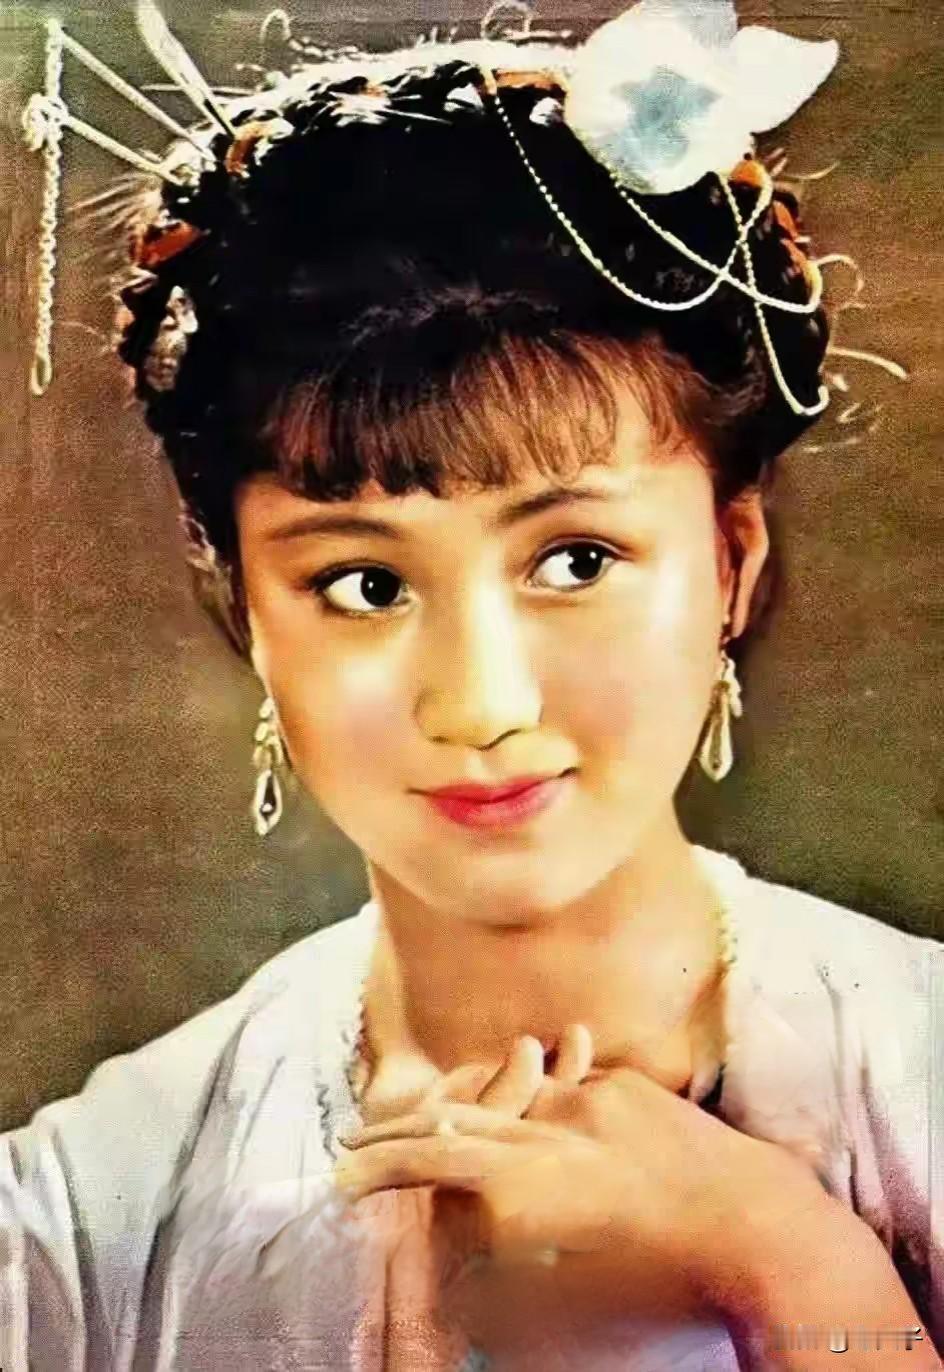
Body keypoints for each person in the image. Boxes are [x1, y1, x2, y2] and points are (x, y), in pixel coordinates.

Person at [5, 2, 942, 1369]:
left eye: (576, 561)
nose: (482, 703)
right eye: (363, 584)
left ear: (731, 564)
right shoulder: (85, 1219)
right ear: (243, 607)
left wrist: (795, 1266)